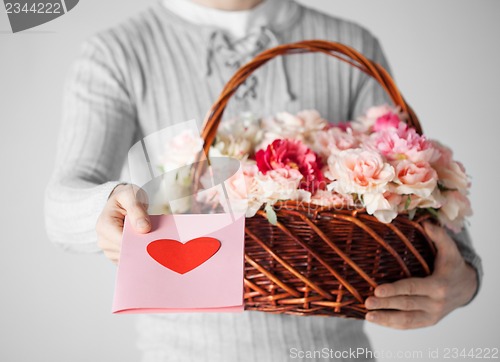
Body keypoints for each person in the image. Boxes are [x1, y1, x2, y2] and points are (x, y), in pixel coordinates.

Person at [44, 0, 482, 361]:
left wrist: (464, 279)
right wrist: (106, 209)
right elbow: (63, 201)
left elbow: (421, 193)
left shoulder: (351, 46)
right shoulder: (118, 52)